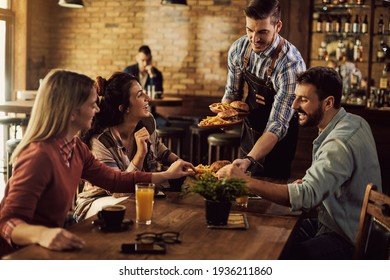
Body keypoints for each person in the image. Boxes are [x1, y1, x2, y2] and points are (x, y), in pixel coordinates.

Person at [0, 69, 194, 255]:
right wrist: (43, 234)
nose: (98, 109)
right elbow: (6, 223)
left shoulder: (76, 148)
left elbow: (116, 180)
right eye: (92, 104)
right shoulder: (39, 156)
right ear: (72, 112)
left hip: (50, 248)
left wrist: (167, 175)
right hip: (19, 255)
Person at [217, 66, 382, 259]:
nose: (294, 105)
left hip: (349, 240)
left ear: (328, 103)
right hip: (341, 226)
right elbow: (334, 178)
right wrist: (308, 186)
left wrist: (245, 181)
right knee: (269, 232)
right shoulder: (355, 121)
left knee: (275, 254)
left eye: (303, 99)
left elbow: (306, 198)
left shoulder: (338, 142)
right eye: (296, 97)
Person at [74, 72, 179, 221]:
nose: (147, 98)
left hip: (135, 194)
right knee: (130, 207)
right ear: (124, 108)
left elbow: (158, 148)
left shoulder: (147, 122)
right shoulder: (101, 141)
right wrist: (140, 154)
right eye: (140, 95)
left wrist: (178, 163)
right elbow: (118, 190)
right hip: (99, 200)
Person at [222, 0, 306, 179]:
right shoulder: (239, 49)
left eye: (262, 32)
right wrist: (223, 117)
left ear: (278, 26)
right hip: (250, 133)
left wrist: (249, 160)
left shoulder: (291, 65)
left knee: (270, 202)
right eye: (249, 30)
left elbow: (277, 125)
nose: (254, 38)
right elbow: (232, 93)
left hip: (278, 145)